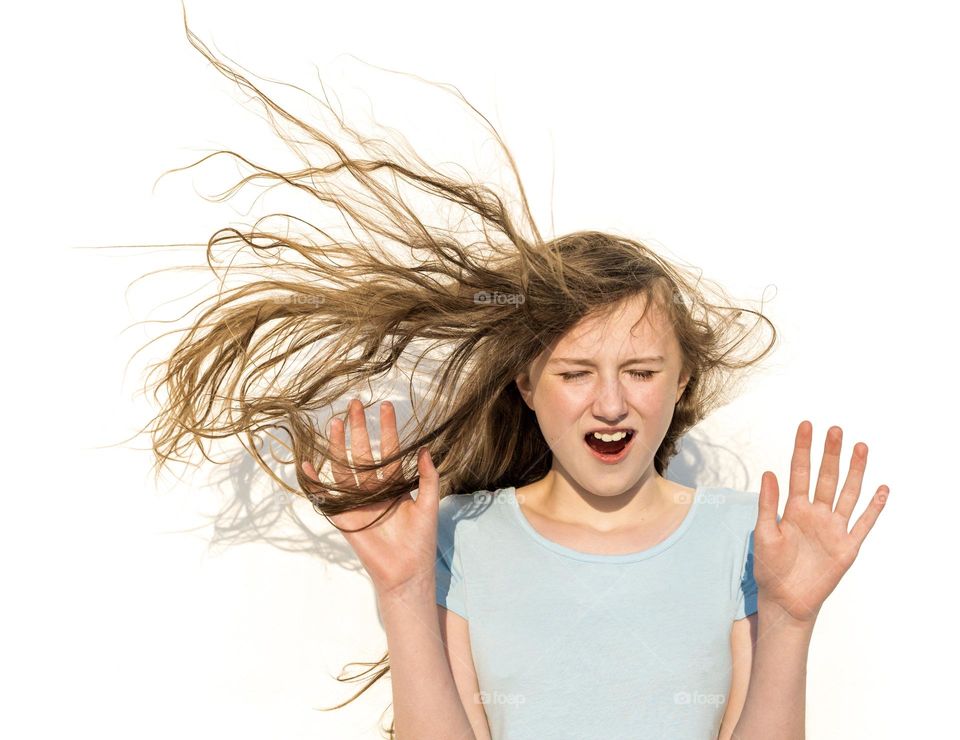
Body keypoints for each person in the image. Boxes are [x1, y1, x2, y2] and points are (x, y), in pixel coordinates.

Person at [141, 12, 890, 740]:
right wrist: (402, 591)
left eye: (639, 369)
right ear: (526, 386)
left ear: (681, 382)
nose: (610, 402)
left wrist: (791, 622)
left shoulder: (746, 538)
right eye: (574, 372)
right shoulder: (464, 535)